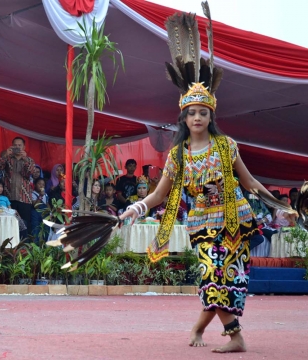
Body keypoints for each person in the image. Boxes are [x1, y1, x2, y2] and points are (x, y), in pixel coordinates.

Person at [119, 9, 296, 354]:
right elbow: (158, 195)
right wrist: (135, 209)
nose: (197, 117)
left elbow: (249, 181)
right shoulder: (178, 155)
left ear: (211, 115)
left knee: (227, 280)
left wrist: (280, 206)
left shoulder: (226, 146)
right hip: (201, 223)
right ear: (183, 117)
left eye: (203, 112)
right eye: (191, 112)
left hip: (235, 221)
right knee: (211, 277)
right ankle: (224, 333)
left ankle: (219, 332)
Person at [0, 137, 35, 231]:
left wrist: (25, 159)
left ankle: (24, 244)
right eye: (15, 145)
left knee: (24, 225)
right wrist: (5, 155)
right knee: (9, 224)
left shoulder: (29, 160)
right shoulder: (8, 159)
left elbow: (29, 172)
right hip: (9, 198)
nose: (17, 147)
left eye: (19, 145)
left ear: (24, 147)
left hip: (24, 198)